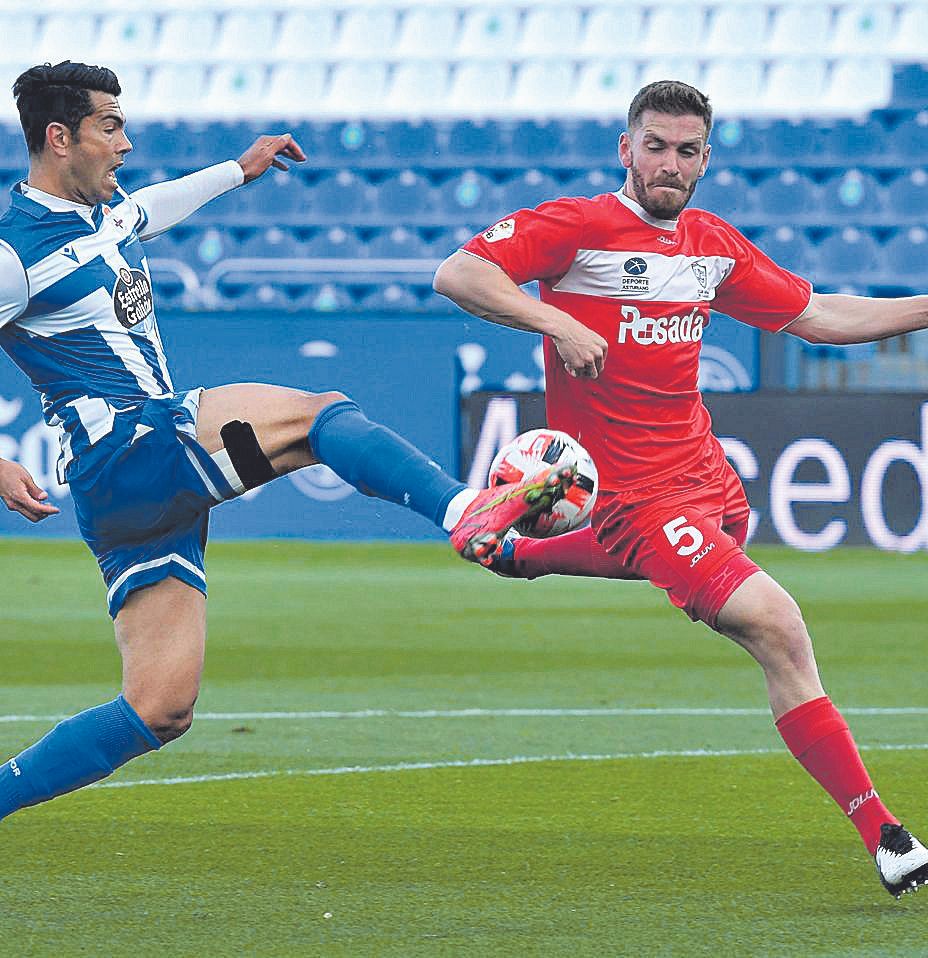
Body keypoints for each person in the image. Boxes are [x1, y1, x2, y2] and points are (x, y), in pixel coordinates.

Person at [0, 61, 574, 823]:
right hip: (130, 446)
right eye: (112, 126)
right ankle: (467, 510)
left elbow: (150, 211)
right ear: (59, 136)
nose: (127, 142)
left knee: (159, 708)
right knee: (316, 417)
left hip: (131, 498)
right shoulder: (13, 252)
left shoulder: (102, 211)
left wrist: (241, 169)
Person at [433, 79, 928, 900]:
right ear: (624, 149)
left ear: (706, 158)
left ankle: (526, 555)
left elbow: (817, 316)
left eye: (686, 149)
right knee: (776, 625)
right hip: (632, 494)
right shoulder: (579, 227)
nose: (668, 162)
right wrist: (555, 321)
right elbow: (458, 274)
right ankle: (887, 834)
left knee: (700, 572)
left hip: (710, 480)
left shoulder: (710, 244)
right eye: (654, 145)